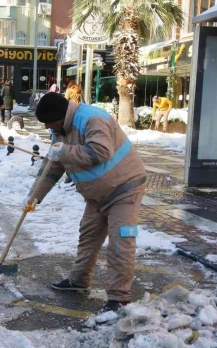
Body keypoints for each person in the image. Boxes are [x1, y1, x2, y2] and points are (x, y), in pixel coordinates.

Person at [22, 92, 146, 314]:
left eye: (50, 123)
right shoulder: (60, 131)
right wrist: (34, 197)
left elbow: (101, 151)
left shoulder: (92, 119)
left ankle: (119, 298)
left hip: (124, 189)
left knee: (120, 242)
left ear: (61, 116)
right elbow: (52, 168)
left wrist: (65, 152)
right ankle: (79, 281)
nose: (48, 128)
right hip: (97, 195)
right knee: (88, 236)